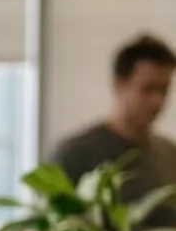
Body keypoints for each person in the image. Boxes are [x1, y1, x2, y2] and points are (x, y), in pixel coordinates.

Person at [51, 34, 176, 213]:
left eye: (164, 90)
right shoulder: (76, 154)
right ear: (118, 85)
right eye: (148, 89)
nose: (157, 100)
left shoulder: (170, 156)